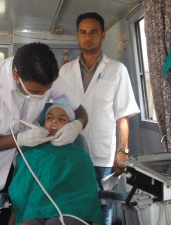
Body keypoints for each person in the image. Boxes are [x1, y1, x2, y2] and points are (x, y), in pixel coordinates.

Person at [0, 42, 88, 225]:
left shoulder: (50, 79)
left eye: (46, 91)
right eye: (36, 91)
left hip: (19, 167)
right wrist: (20, 139)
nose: (42, 95)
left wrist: (77, 126)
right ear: (16, 75)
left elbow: (82, 112)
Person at [59, 12, 140, 225]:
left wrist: (123, 151)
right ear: (77, 36)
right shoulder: (65, 72)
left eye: (93, 32)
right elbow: (58, 112)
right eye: (83, 32)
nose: (88, 37)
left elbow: (123, 115)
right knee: (72, 208)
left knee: (102, 211)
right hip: (71, 154)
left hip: (102, 156)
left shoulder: (117, 70)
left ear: (103, 35)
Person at [8, 96, 103, 225]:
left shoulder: (79, 155)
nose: (54, 121)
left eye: (61, 119)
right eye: (49, 118)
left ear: (71, 126)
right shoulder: (30, 152)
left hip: (70, 209)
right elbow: (20, 186)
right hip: (34, 210)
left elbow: (89, 193)